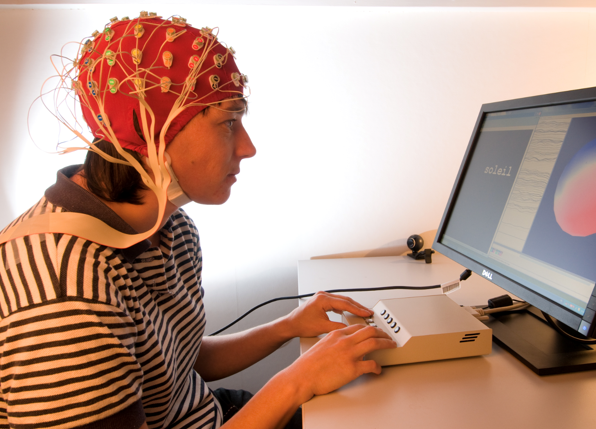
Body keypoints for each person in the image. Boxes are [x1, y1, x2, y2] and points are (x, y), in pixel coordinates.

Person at [0, 12, 395, 429]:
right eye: (228, 122)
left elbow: (180, 361)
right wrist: (297, 381)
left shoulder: (173, 227)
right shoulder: (63, 292)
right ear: (154, 133)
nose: (248, 147)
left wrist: (289, 326)